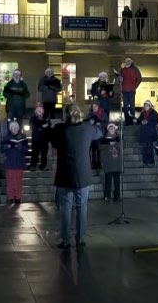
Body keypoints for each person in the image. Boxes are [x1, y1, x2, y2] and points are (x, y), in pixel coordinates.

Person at [50, 104, 97, 249]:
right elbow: (99, 135)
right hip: (83, 174)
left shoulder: (60, 129)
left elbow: (53, 143)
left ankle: (65, 239)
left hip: (65, 173)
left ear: (66, 115)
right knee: (82, 207)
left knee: (65, 208)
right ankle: (80, 238)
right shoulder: (88, 128)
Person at [2, 120, 27, 205]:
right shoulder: (7, 138)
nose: (15, 129)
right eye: (13, 128)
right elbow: (2, 148)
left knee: (19, 181)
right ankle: (11, 197)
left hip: (19, 162)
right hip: (10, 163)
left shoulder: (22, 137)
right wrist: (6, 146)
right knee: (11, 181)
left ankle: (18, 197)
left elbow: (26, 149)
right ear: (11, 129)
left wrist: (21, 147)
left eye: (16, 128)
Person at [100, 123, 122, 202]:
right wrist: (108, 143)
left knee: (117, 181)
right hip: (108, 162)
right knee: (108, 180)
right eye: (110, 128)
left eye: (113, 128)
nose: (112, 130)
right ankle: (107, 195)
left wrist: (115, 144)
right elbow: (101, 147)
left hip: (116, 163)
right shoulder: (104, 138)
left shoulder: (118, 138)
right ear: (108, 130)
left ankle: (117, 195)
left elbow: (121, 147)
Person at [119, 57, 142, 124]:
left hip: (131, 90)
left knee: (132, 106)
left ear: (131, 61)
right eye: (126, 61)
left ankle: (132, 120)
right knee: (125, 106)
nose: (128, 62)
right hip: (124, 90)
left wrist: (134, 86)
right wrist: (120, 80)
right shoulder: (122, 70)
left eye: (129, 61)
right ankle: (127, 120)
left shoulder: (135, 69)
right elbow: (120, 80)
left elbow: (139, 79)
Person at [29, 103, 51, 171]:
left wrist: (45, 127)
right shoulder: (33, 118)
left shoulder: (46, 118)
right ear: (35, 111)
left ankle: (43, 166)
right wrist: (42, 126)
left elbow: (49, 127)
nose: (39, 110)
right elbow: (32, 126)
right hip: (36, 139)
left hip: (44, 139)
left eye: (41, 109)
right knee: (35, 153)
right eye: (38, 109)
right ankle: (33, 166)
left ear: (43, 110)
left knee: (44, 153)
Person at [138, 100, 158, 167]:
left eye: (147, 105)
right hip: (144, 133)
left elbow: (155, 121)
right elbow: (139, 120)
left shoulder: (154, 113)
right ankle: (145, 162)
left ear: (150, 106)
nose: (145, 107)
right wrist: (138, 121)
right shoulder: (143, 113)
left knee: (149, 148)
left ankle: (151, 162)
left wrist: (147, 122)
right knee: (144, 148)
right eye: (145, 105)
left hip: (150, 133)